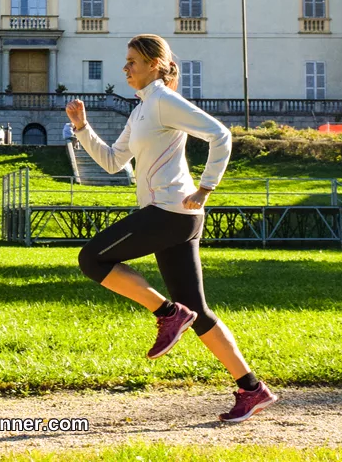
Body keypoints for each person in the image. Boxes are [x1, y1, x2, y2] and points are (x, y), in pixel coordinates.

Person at [64, 34, 278, 424]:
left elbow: (220, 134)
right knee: (198, 309)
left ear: (154, 64)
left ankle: (167, 313)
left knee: (92, 258)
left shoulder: (164, 101)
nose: (125, 68)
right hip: (173, 215)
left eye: (132, 61)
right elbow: (113, 162)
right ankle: (252, 389)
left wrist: (207, 187)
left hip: (172, 212)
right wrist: (82, 128)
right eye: (126, 62)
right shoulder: (143, 108)